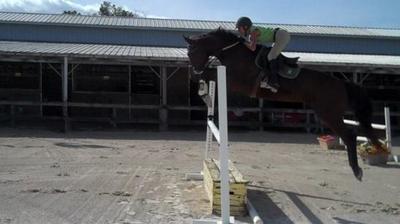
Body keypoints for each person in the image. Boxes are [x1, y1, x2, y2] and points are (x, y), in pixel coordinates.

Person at [236, 16, 291, 93]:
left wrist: (243, 42)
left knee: (271, 56)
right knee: (267, 55)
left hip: (282, 35)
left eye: (239, 28)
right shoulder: (252, 33)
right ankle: (267, 79)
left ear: (245, 27)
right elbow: (253, 46)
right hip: (280, 35)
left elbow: (252, 48)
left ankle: (274, 83)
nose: (239, 31)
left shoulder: (253, 32)